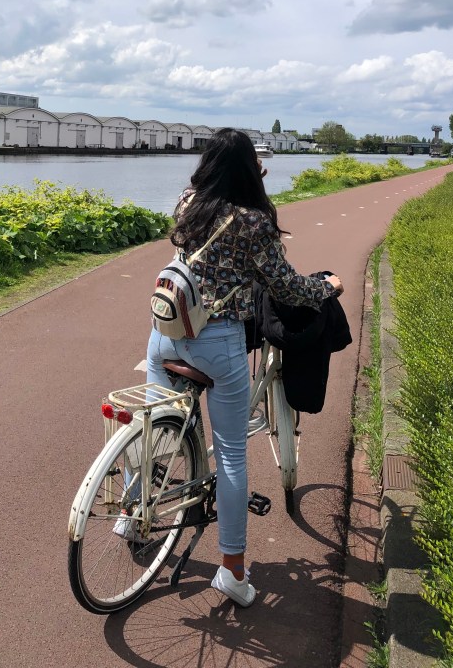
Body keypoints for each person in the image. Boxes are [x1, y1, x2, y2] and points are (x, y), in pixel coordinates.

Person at [144, 128, 343, 607]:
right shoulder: (254, 221)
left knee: (153, 428)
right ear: (250, 168)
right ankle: (232, 571)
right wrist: (327, 287)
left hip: (166, 332)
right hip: (217, 342)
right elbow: (286, 285)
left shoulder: (187, 201)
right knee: (231, 453)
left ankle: (131, 519)